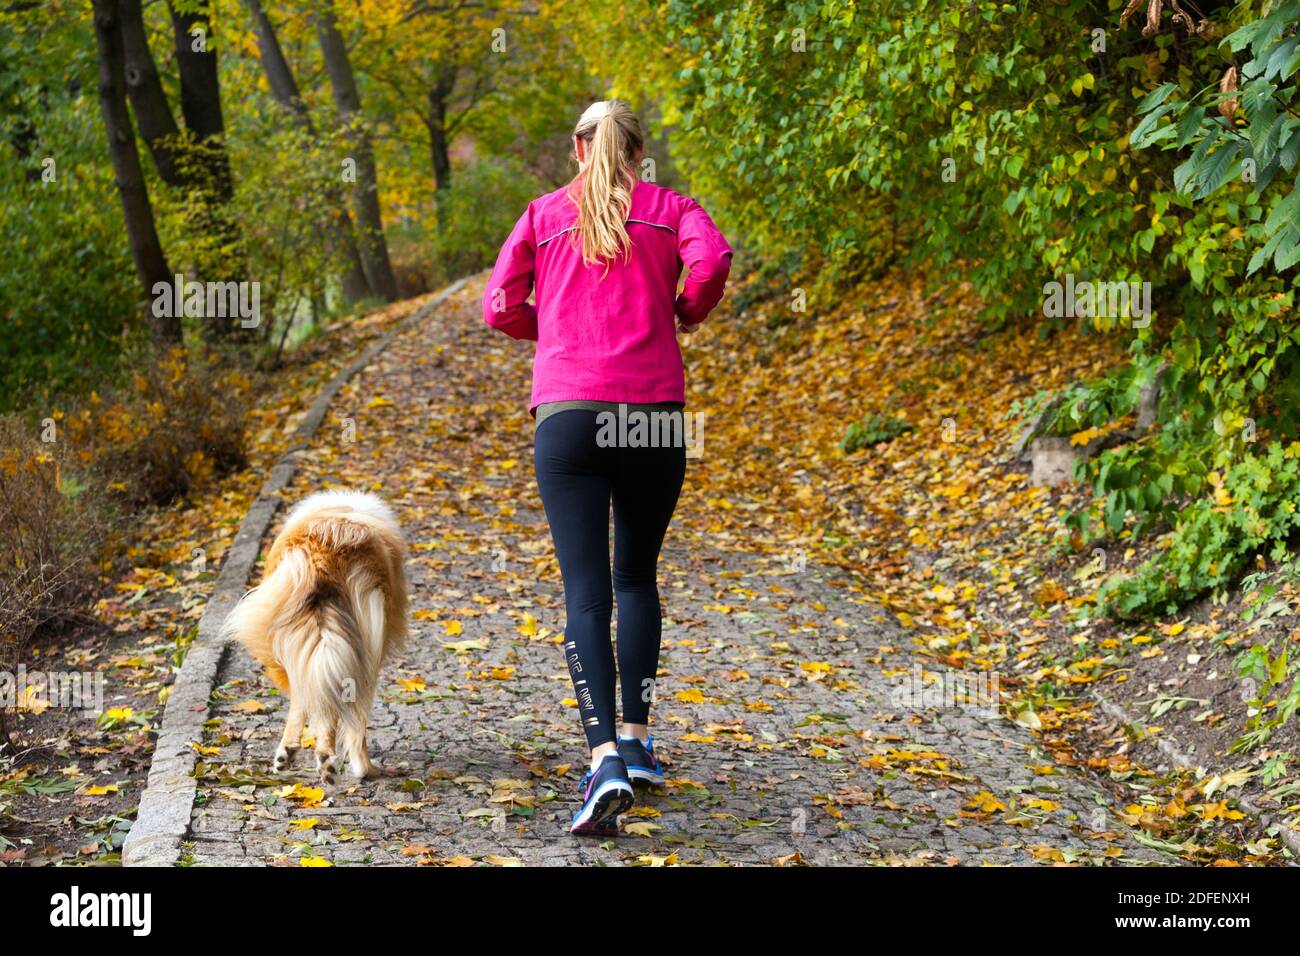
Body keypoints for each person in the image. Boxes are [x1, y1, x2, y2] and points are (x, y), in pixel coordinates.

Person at [483, 100, 732, 835]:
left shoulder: (542, 214)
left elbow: (499, 303)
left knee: (587, 594)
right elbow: (711, 261)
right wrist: (685, 308)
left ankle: (603, 762)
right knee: (637, 578)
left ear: (578, 147)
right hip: (652, 413)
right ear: (635, 151)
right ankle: (635, 738)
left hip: (569, 416)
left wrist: (551, 328)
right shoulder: (670, 207)